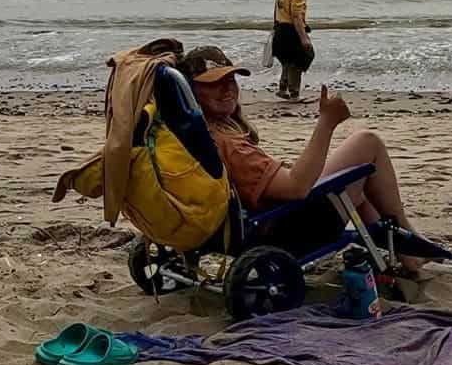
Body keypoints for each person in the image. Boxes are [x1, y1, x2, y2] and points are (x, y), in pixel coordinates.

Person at [179, 45, 419, 269]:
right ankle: (410, 247)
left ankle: (402, 248)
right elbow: (296, 187)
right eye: (214, 83)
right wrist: (327, 122)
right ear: (190, 91)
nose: (227, 88)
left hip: (251, 229)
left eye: (230, 79)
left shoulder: (191, 135)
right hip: (286, 235)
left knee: (358, 181)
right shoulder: (229, 146)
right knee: (367, 143)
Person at [271, 0, 318, 100]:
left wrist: (275, 24)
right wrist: (304, 38)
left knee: (286, 60)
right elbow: (296, 17)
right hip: (291, 30)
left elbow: (276, 7)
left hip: (280, 27)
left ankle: (282, 88)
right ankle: (294, 94)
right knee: (300, 60)